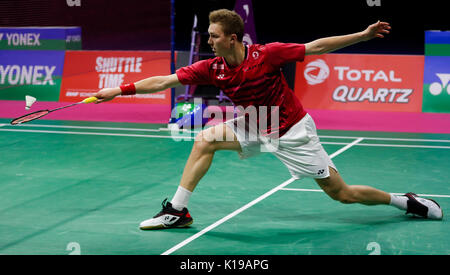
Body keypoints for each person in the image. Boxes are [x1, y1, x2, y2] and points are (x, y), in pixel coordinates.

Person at [93, 9, 443, 230]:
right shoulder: (210, 67)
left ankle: (406, 201)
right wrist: (120, 89)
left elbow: (317, 46)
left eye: (213, 36)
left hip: (293, 132)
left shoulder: (268, 55)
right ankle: (177, 211)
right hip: (255, 121)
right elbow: (165, 80)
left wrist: (363, 36)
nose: (208, 41)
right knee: (205, 140)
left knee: (343, 194)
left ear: (232, 38)